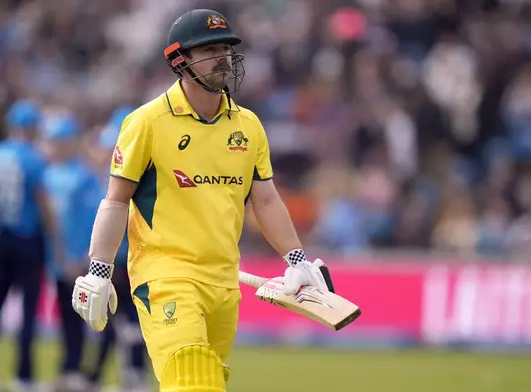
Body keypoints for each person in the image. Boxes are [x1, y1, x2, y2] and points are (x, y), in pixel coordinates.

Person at [71, 9, 334, 392]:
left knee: (207, 381)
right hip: (165, 276)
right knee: (192, 379)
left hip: (225, 282)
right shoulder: (147, 122)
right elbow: (116, 201)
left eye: (226, 48)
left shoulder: (248, 126)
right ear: (180, 60)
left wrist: (296, 260)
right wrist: (99, 269)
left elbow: (265, 200)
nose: (224, 57)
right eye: (209, 49)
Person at [0, 100, 58, 391]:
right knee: (28, 309)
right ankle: (24, 374)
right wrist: (57, 239)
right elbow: (43, 202)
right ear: (30, 127)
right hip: (26, 239)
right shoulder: (33, 158)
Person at [85, 108, 149, 392]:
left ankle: (128, 377)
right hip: (121, 261)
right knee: (120, 325)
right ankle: (120, 377)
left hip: (125, 261)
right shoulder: (109, 177)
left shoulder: (119, 178)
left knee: (126, 324)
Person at [41, 113, 101, 391]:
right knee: (65, 316)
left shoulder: (83, 177)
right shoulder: (48, 174)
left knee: (78, 316)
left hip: (78, 261)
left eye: (60, 141)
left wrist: (83, 258)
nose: (56, 147)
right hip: (57, 259)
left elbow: (93, 221)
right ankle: (68, 367)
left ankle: (75, 368)